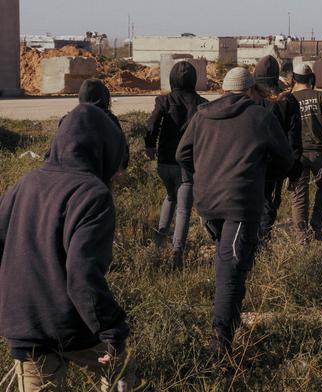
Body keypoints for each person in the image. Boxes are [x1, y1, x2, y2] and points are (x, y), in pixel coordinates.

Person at [0, 104, 134, 390]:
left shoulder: (24, 183)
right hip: (71, 324)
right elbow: (82, 275)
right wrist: (113, 329)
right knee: (123, 372)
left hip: (27, 328)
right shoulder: (92, 194)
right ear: (104, 149)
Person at [176, 67, 293, 360]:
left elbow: (182, 155)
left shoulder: (202, 115)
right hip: (240, 203)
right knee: (229, 270)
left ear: (224, 90)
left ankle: (230, 326)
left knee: (232, 263)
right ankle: (220, 347)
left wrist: (205, 172)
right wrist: (263, 177)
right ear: (251, 89)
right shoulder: (260, 117)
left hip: (207, 203)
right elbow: (285, 160)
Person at [144, 61, 208, 265]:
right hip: (187, 166)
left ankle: (160, 240)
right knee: (183, 209)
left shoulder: (164, 101)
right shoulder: (202, 104)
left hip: (164, 163)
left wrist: (150, 146)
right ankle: (177, 252)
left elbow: (152, 124)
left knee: (170, 196)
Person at [287, 60, 322, 242]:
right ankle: (316, 227)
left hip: (298, 155)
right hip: (320, 153)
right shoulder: (321, 96)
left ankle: (302, 236)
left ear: (294, 79)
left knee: (299, 194)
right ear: (311, 78)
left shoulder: (289, 99)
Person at [250, 55, 303, 242]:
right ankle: (262, 243)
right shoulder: (287, 100)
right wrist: (295, 172)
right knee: (269, 206)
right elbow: (294, 138)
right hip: (275, 165)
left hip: (248, 162)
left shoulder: (249, 98)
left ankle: (250, 244)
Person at [78, 79, 129, 171]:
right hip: (100, 176)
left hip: (71, 177)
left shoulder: (69, 118)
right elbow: (121, 149)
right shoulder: (108, 118)